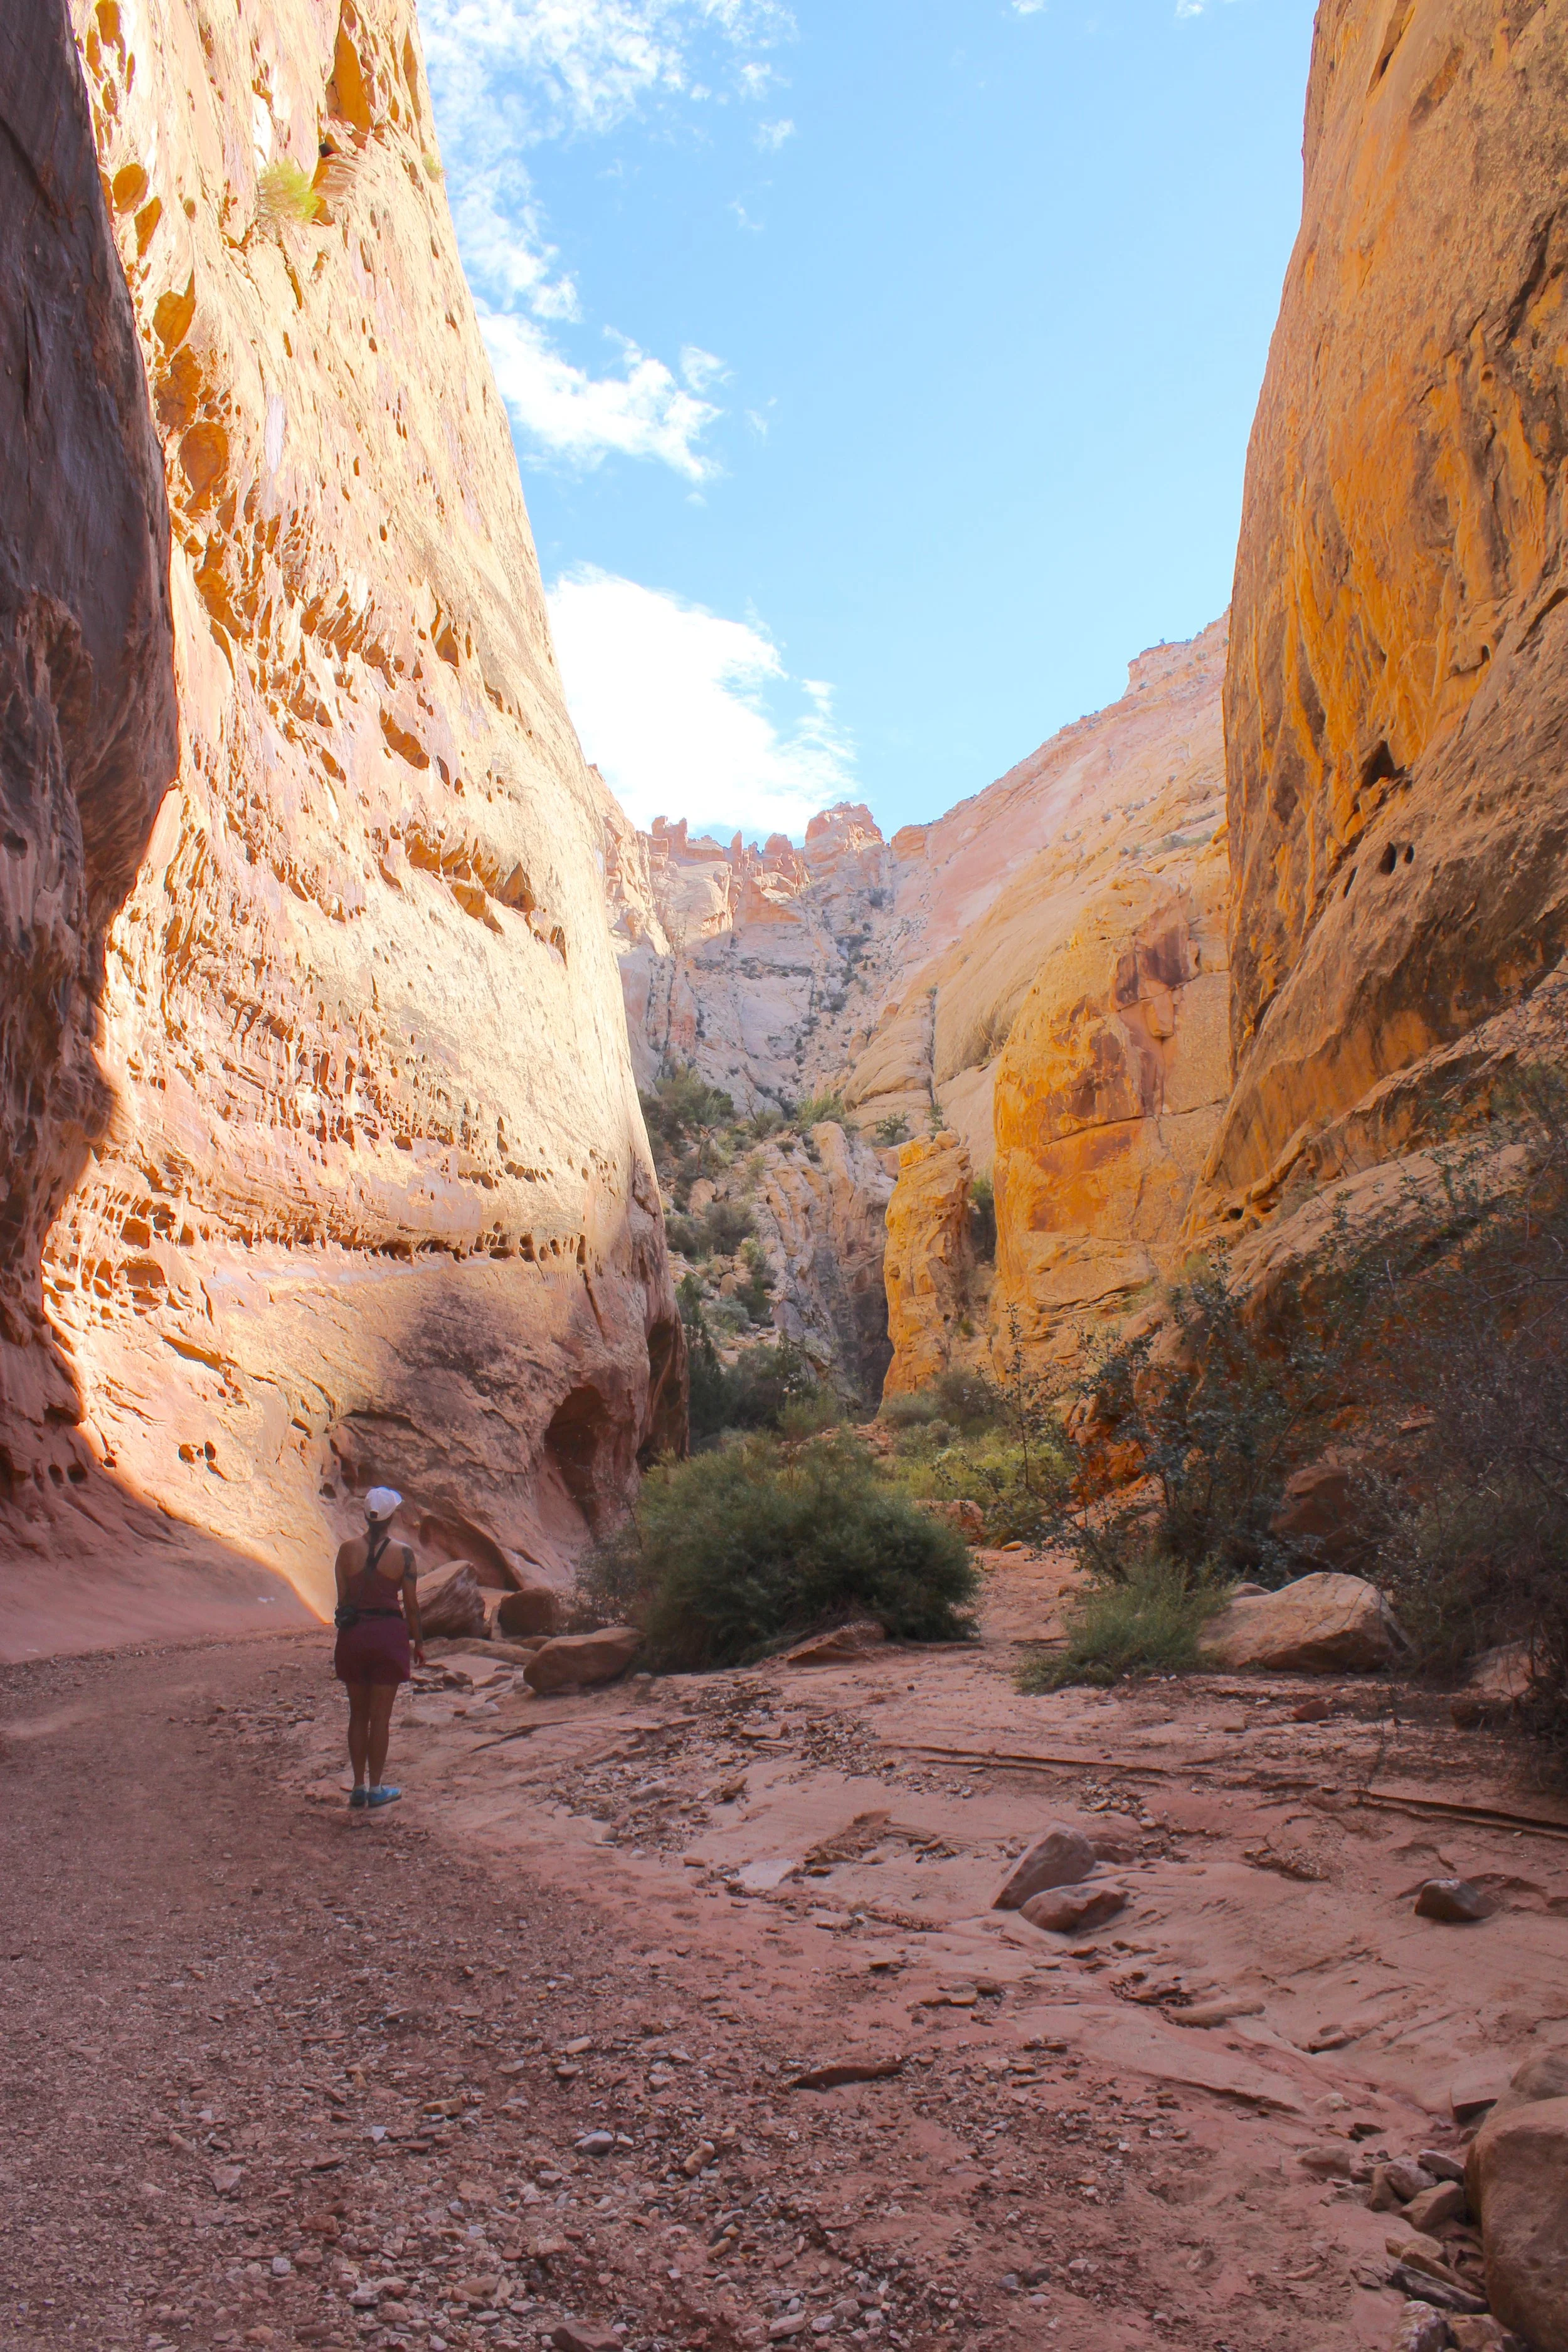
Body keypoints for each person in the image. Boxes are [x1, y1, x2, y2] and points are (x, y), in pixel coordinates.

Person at [332, 1488, 425, 1810]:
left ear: (365, 1516)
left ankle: (357, 1787)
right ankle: (376, 1788)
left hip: (353, 1637)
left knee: (357, 1715)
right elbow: (411, 1606)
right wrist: (419, 1642)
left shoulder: (345, 1552)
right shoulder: (404, 1554)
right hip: (388, 1635)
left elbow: (343, 1601)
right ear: (393, 1517)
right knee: (380, 1718)